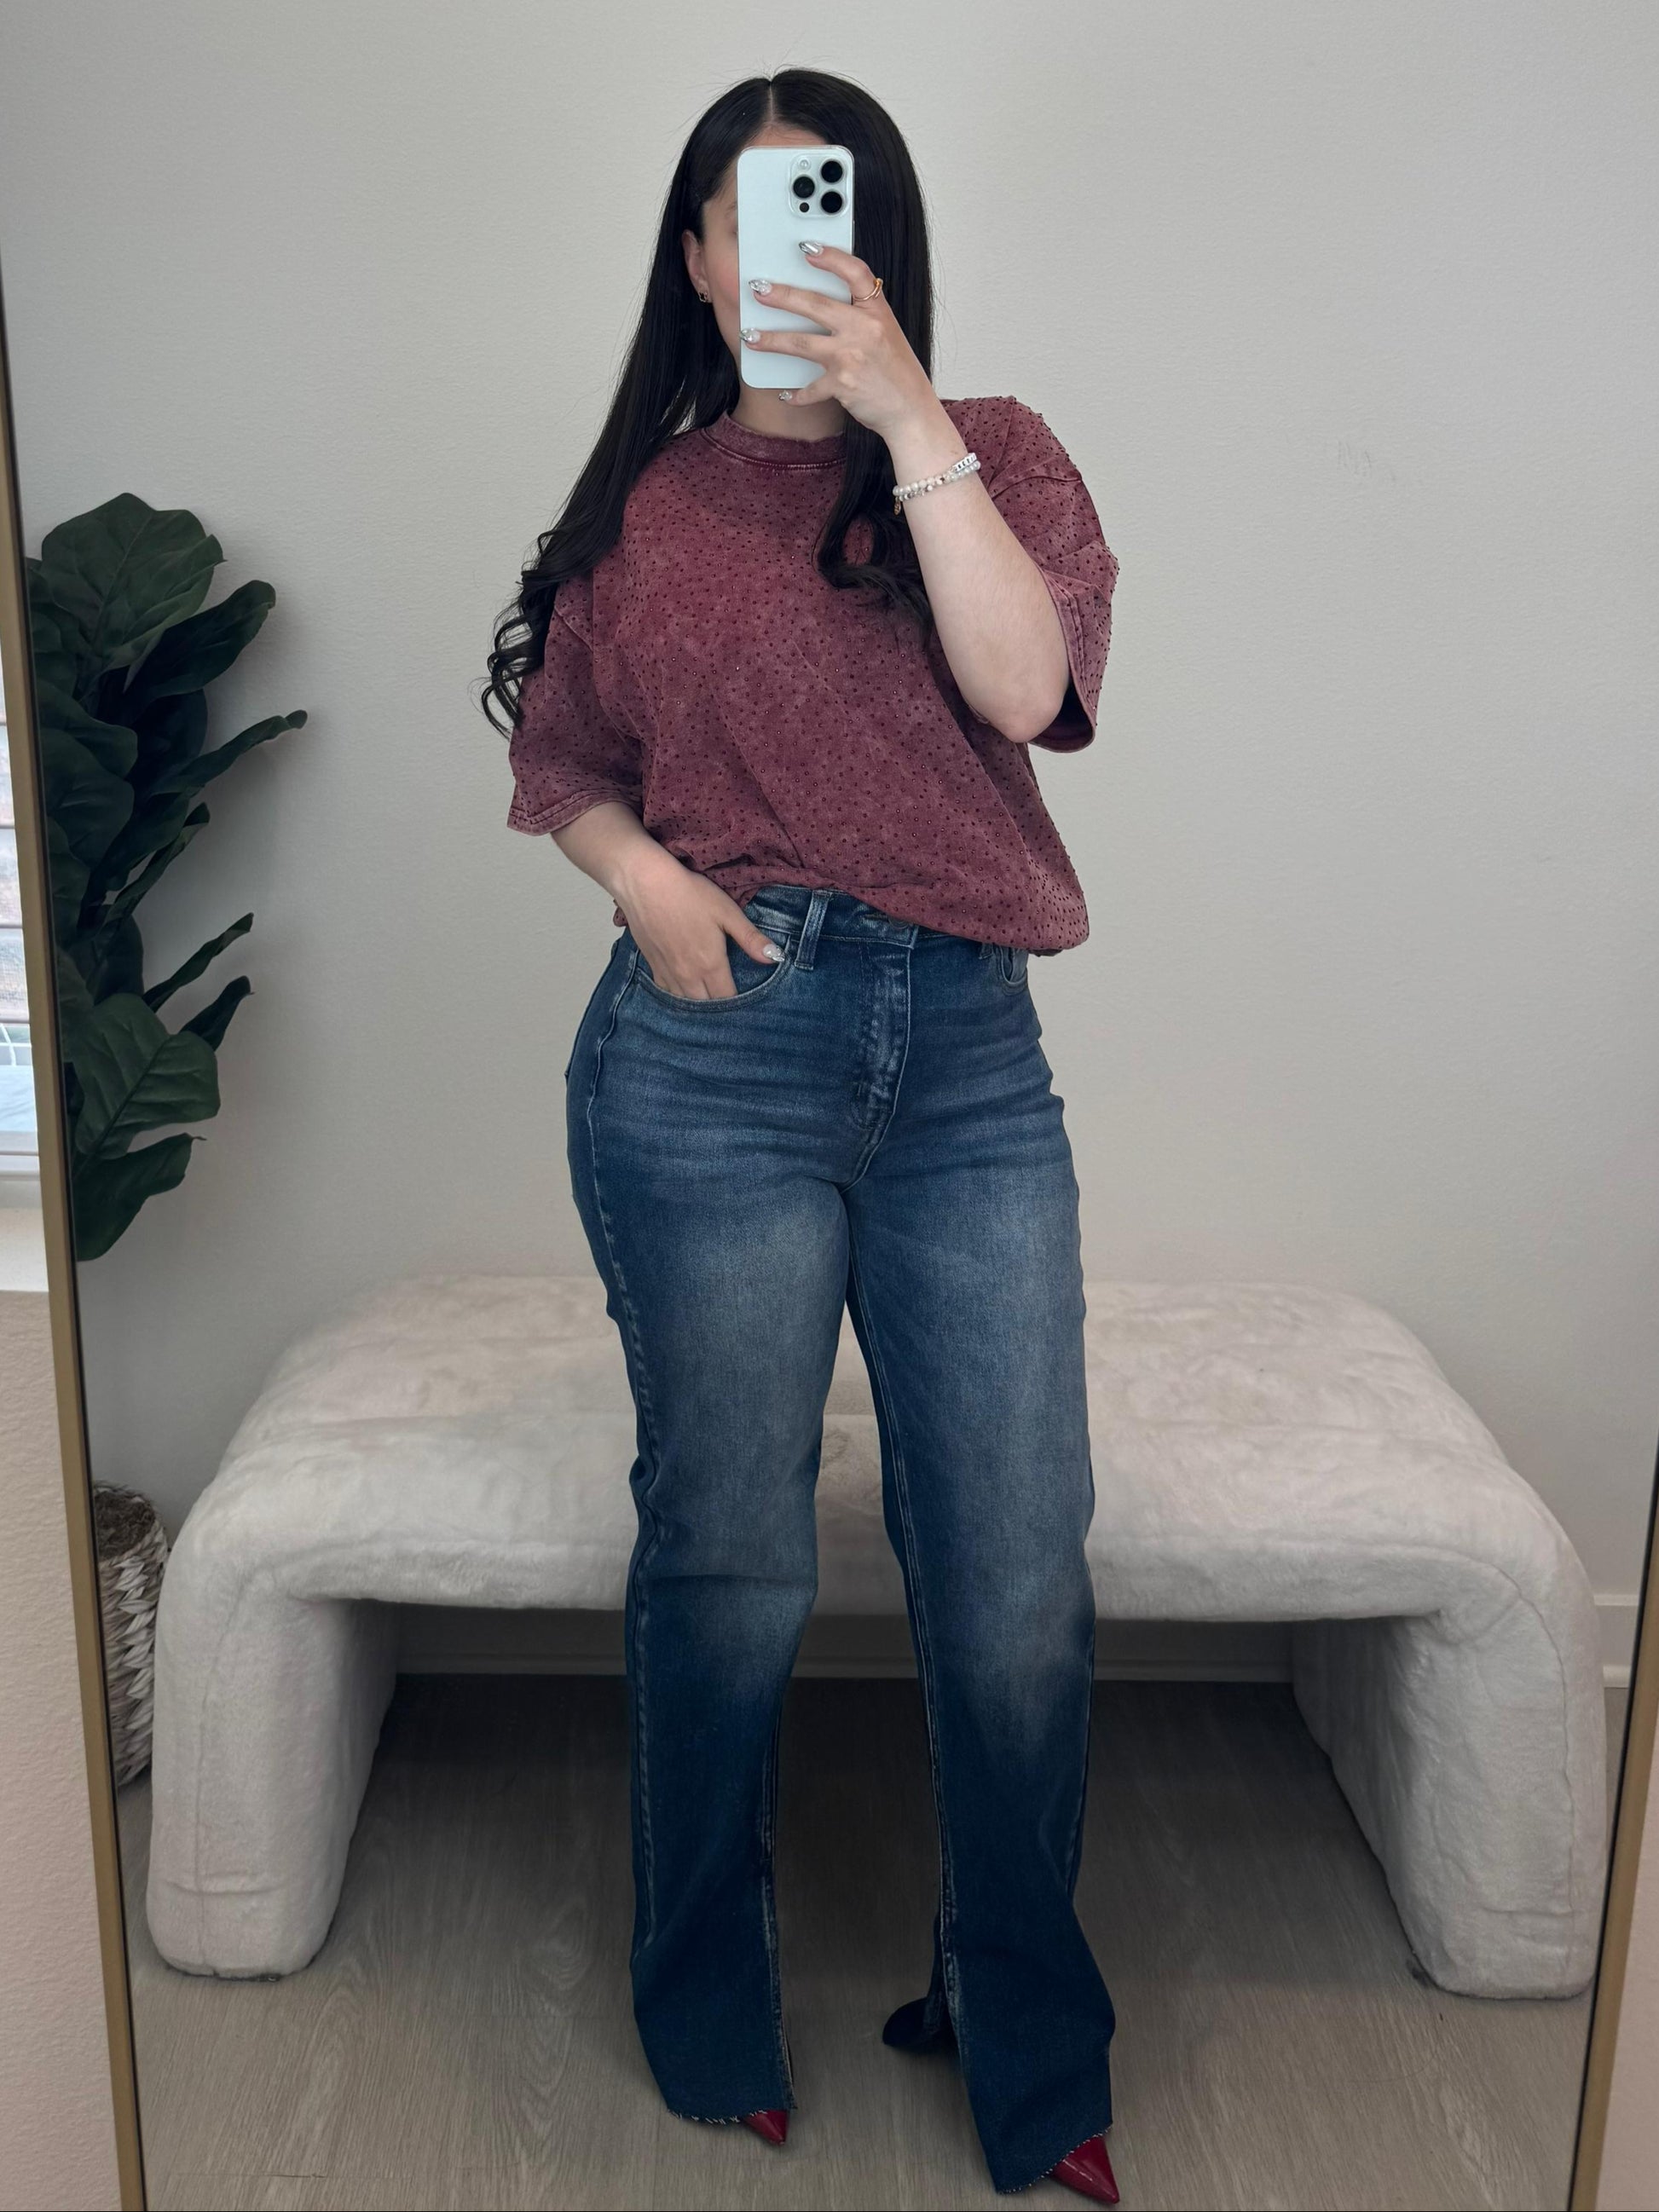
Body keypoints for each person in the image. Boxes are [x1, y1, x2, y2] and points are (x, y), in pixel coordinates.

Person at [485, 68, 1122, 2208]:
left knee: (1015, 1569)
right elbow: (564, 754)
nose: (776, 260)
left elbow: (1024, 691)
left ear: (877, 241)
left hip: (968, 1069)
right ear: (690, 258)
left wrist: (905, 412)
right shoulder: (645, 510)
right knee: (730, 1554)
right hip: (712, 1061)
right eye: (740, 223)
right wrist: (641, 879)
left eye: (817, 219)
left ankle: (1025, 2033)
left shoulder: (994, 450)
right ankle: (705, 1993)